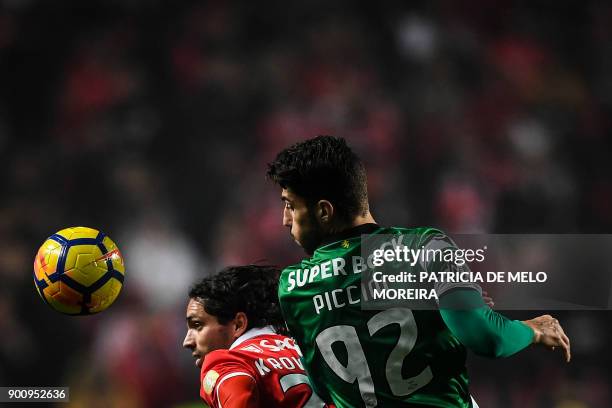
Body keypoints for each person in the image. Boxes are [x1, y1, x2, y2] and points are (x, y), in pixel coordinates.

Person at [266, 135, 571, 408]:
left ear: (323, 210)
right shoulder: (426, 246)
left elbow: (325, 387)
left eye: (290, 206)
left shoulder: (292, 288)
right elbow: (484, 337)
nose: (284, 219)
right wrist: (533, 329)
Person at [183, 265, 328, 408]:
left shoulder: (228, 362)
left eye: (197, 325)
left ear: (238, 324)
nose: (187, 342)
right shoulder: (309, 350)